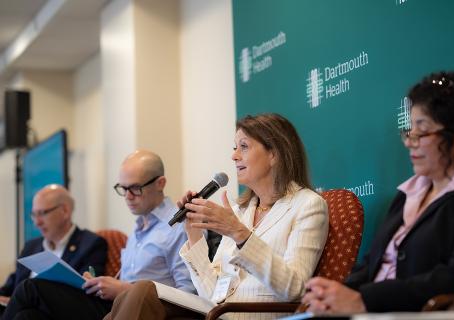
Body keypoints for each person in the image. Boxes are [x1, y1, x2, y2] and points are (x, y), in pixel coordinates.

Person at [302, 71, 454, 314]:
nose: (409, 141)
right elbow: (371, 265)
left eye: (422, 132)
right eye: (409, 130)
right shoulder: (409, 192)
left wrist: (364, 300)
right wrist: (331, 294)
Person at [104, 113, 329, 320]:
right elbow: (212, 291)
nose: (234, 156)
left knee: (142, 291)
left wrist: (238, 233)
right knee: (132, 295)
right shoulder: (241, 211)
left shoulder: (308, 206)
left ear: (274, 154)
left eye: (244, 147)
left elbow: (295, 288)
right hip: (216, 312)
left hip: (249, 315)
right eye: (234, 147)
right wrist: (192, 232)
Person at [3, 150, 195, 320]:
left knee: (31, 288)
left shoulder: (178, 225)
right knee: (27, 315)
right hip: (115, 305)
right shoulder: (139, 228)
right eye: (123, 188)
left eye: (135, 188)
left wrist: (123, 289)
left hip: (138, 308)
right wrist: (101, 283)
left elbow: (189, 295)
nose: (128, 197)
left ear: (160, 183)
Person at [0, 184, 107, 314]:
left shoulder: (91, 244)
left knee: (30, 287)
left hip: (59, 313)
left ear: (65, 211)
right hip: (21, 312)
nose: (37, 222)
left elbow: (85, 293)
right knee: (26, 315)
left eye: (43, 213)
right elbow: (10, 286)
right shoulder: (31, 246)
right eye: (34, 215)